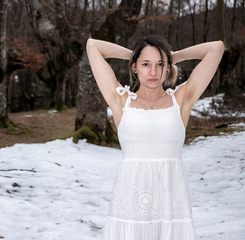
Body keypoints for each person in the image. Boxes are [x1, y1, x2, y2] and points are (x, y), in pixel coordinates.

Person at [86, 35, 224, 240]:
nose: (153, 71)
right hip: (132, 202)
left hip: (171, 200)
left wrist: (173, 56)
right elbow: (93, 46)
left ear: (168, 68)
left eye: (160, 64)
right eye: (145, 64)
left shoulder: (181, 99)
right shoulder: (121, 100)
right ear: (134, 67)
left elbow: (217, 47)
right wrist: (133, 55)